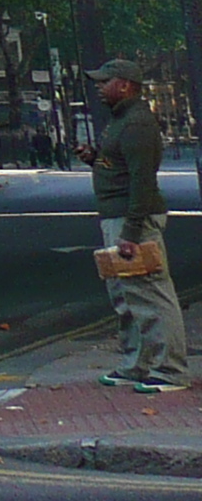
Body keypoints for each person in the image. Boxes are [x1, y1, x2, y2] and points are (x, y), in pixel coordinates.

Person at [76, 58, 187, 392]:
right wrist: (95, 159)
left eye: (104, 81)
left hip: (130, 218)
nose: (98, 86)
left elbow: (142, 181)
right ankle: (137, 364)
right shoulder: (120, 120)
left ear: (124, 85)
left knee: (151, 294)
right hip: (118, 216)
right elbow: (121, 166)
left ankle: (169, 370)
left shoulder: (136, 124)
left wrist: (131, 233)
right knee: (126, 296)